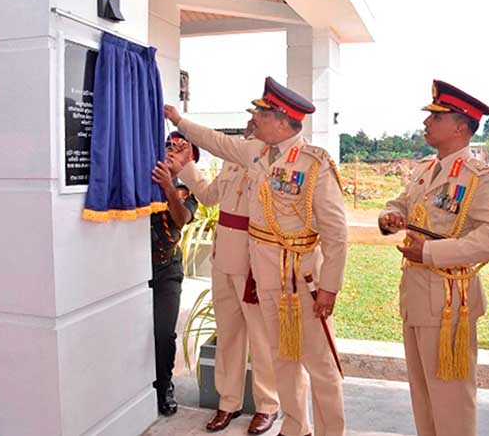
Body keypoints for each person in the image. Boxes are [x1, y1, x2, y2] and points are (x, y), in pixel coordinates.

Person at [165, 77, 347, 436]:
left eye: (263, 114)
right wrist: (180, 121)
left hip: (301, 280)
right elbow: (216, 143)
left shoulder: (314, 164)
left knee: (321, 365)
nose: (255, 119)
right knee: (283, 359)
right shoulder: (257, 154)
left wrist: (330, 287)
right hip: (267, 279)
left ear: (282, 121)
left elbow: (336, 233)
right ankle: (295, 427)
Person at [378, 80, 489, 436]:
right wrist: (390, 216)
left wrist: (432, 251)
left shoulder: (477, 178)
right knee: (424, 399)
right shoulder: (426, 169)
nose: (426, 122)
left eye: (436, 117)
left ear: (460, 127)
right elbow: (400, 203)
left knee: (451, 402)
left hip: (450, 302)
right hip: (417, 296)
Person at [176, 114, 281, 434]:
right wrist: (186, 166)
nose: (251, 122)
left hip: (253, 261)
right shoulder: (232, 159)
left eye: (258, 118)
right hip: (223, 257)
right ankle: (229, 401)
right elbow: (210, 196)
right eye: (252, 117)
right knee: (229, 334)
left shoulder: (272, 160)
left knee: (261, 338)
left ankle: (267, 405)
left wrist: (180, 121)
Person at [149, 132, 199, 416]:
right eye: (167, 145)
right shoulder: (144, 177)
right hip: (134, 269)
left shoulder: (186, 190)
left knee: (163, 332)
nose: (170, 150)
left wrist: (168, 188)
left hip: (166, 268)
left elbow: (181, 219)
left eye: (178, 149)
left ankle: (164, 386)